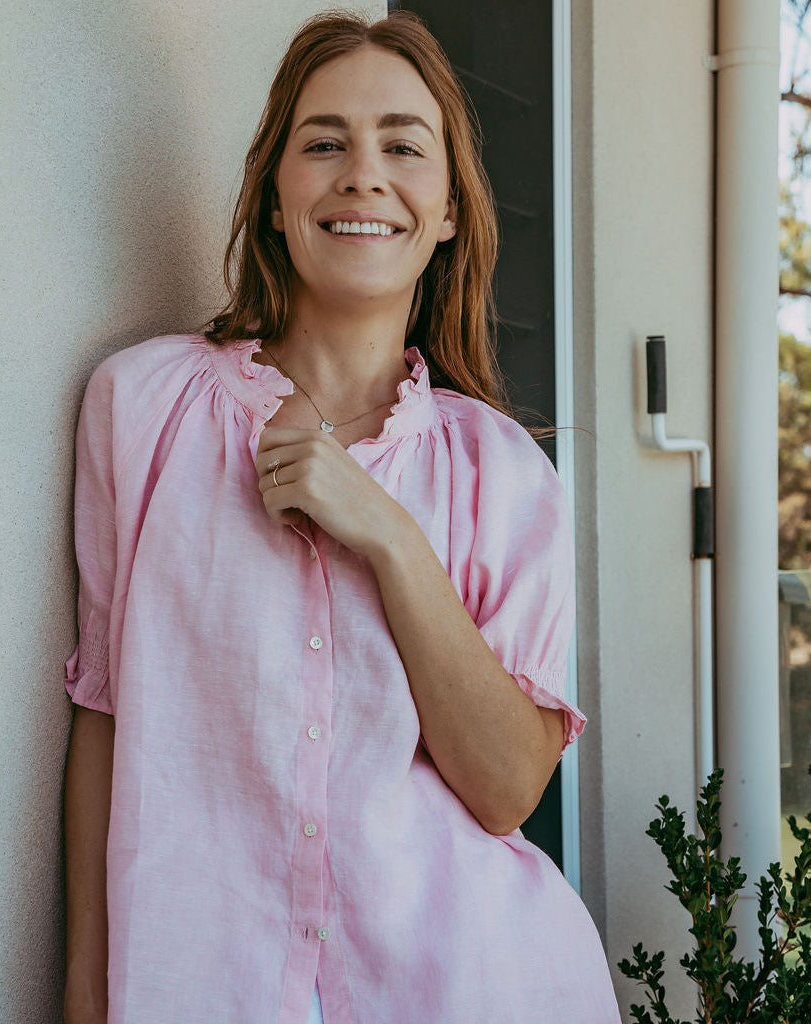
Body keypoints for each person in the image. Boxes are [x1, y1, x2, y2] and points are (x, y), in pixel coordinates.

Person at [62, 10, 621, 1024]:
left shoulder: (500, 471)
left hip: (467, 986)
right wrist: (85, 990)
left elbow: (504, 790)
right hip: (199, 985)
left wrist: (389, 535)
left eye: (403, 146)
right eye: (323, 142)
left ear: (447, 209)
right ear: (275, 195)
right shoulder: (141, 409)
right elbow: (105, 716)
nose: (362, 173)